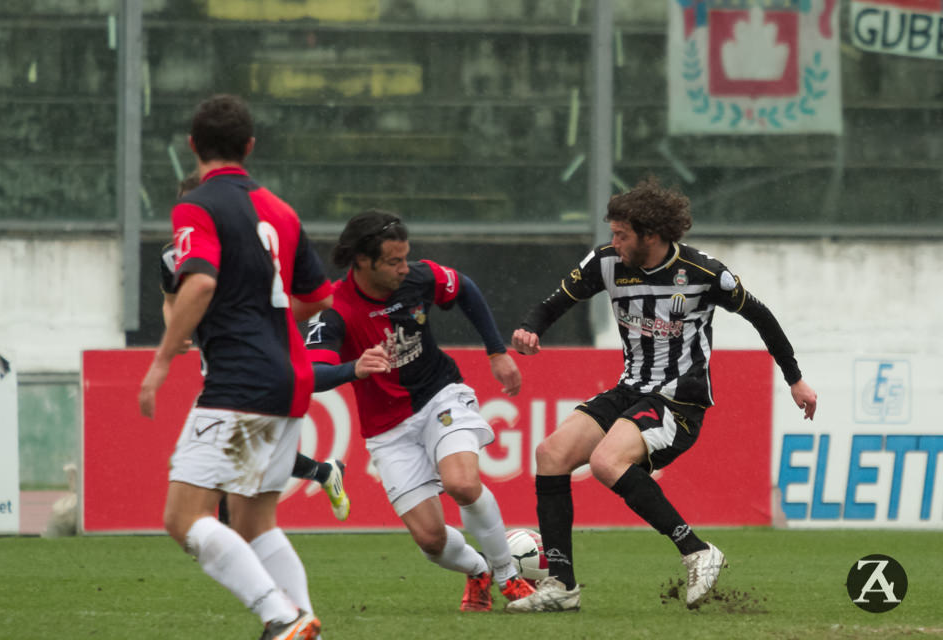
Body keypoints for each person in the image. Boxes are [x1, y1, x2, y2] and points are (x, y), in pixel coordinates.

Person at [505, 176, 818, 613]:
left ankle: (697, 550)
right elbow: (554, 302)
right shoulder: (606, 263)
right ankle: (562, 586)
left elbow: (761, 316)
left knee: (606, 462)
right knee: (550, 454)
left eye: (621, 234)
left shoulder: (705, 273)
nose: (612, 242)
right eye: (611, 233)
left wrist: (795, 378)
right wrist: (530, 329)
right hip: (630, 388)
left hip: (680, 398)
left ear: (651, 236)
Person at [138, 94, 331, 640]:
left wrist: (159, 364)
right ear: (249, 147)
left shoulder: (196, 205)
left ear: (192, 145)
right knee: (253, 520)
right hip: (289, 379)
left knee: (183, 518)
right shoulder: (282, 209)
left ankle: (281, 616)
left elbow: (198, 281)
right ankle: (305, 623)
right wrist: (263, 318)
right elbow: (317, 296)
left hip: (238, 382)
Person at [303, 209, 537, 611]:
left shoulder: (418, 278)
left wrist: (497, 351)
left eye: (405, 257)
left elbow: (464, 288)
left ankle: (509, 578)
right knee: (430, 540)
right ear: (362, 261)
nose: (403, 268)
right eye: (393, 261)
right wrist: (352, 369)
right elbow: (312, 373)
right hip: (387, 429)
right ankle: (478, 570)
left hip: (440, 396)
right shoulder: (335, 309)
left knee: (462, 484)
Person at [160, 172, 350, 525]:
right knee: (249, 461)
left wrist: (263, 323)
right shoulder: (173, 256)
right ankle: (323, 473)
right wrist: (177, 325)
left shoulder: (248, 250)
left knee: (223, 476)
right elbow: (172, 300)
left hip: (252, 367)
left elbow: (314, 296)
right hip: (219, 365)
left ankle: (236, 550)